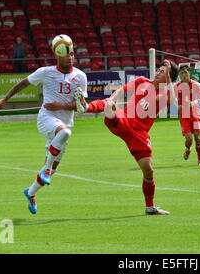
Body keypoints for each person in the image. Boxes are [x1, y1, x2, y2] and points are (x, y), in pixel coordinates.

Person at [0, 34, 88, 215]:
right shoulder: (45, 72)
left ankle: (30, 192)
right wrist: (5, 99)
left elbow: (82, 106)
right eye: (66, 55)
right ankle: (45, 169)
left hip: (65, 122)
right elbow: (23, 84)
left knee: (53, 170)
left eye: (72, 54)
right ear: (57, 56)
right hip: (47, 119)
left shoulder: (80, 77)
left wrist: (60, 105)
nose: (70, 58)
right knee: (65, 134)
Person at [73, 59, 179, 215]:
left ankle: (150, 207)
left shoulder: (164, 94)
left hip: (139, 134)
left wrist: (169, 78)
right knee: (110, 105)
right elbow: (122, 89)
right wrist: (113, 98)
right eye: (158, 69)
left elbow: (172, 99)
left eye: (162, 71)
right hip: (124, 120)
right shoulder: (142, 81)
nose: (157, 72)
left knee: (148, 171)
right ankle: (86, 106)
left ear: (169, 77)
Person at [174, 65, 200, 166]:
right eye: (181, 73)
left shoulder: (196, 84)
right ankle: (187, 149)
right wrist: (177, 105)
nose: (184, 75)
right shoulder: (176, 86)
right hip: (184, 115)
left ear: (189, 73)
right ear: (179, 74)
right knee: (189, 139)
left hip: (195, 113)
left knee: (198, 137)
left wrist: (195, 101)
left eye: (185, 72)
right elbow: (171, 98)